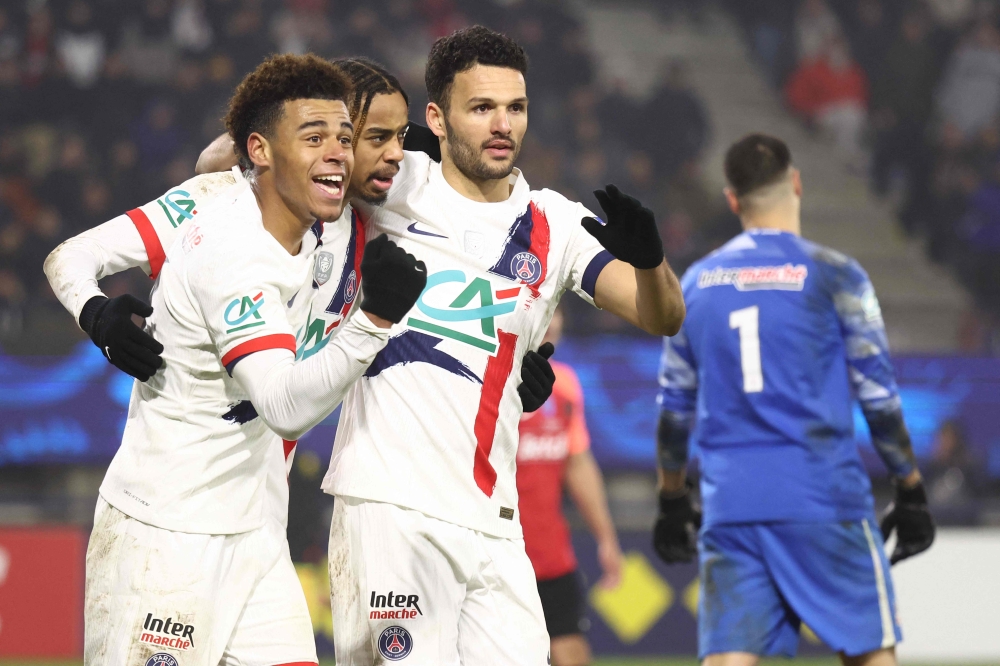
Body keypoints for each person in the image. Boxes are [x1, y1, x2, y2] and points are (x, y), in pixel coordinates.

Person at [48, 54, 429, 666]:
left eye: (395, 138)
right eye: (371, 137)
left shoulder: (363, 224)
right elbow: (70, 257)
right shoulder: (215, 210)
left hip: (257, 528)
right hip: (169, 527)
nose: (390, 155)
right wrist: (97, 313)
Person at [323, 26, 685, 665]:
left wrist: (653, 261)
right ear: (436, 117)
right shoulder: (391, 182)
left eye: (515, 108)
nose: (502, 124)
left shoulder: (557, 223)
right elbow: (244, 163)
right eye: (481, 107)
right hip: (390, 504)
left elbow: (663, 316)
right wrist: (360, 133)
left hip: (494, 519)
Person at [652, 134, 935, 666]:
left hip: (732, 503)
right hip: (823, 498)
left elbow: (673, 409)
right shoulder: (835, 274)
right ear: (797, 183)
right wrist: (910, 487)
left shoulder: (694, 283)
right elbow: (878, 397)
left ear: (732, 199)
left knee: (730, 658)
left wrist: (671, 500)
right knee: (871, 655)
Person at [516, 307, 622, 666]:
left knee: (572, 654)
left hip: (551, 556)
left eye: (558, 313)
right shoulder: (483, 383)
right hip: (495, 554)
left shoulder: (566, 386)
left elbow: (578, 464)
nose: (553, 323)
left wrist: (606, 538)